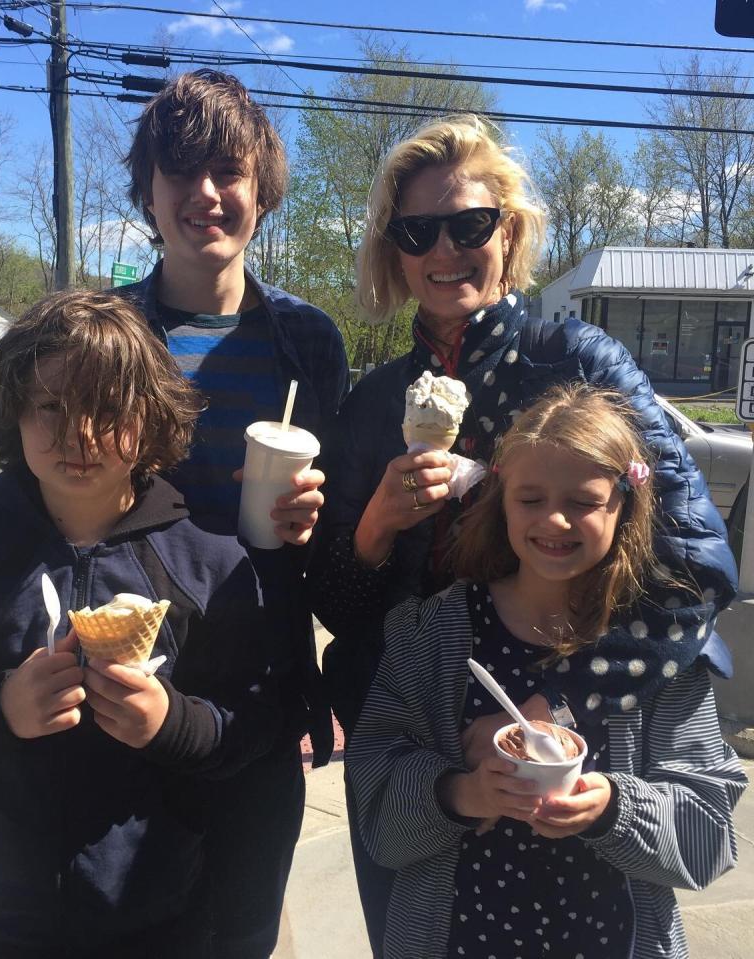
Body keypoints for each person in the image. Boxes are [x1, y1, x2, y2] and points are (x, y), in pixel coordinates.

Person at [307, 114, 739, 953]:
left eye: (468, 224)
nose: (445, 249)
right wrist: (374, 526)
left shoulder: (580, 365)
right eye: (417, 230)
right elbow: (336, 602)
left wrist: (565, 703)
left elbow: (696, 567)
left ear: (508, 230)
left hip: (568, 736)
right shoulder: (372, 405)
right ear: (393, 250)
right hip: (411, 748)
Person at [0, 291, 282, 959]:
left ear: (152, 419)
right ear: (14, 409)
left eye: (108, 410)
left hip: (156, 924)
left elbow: (252, 730)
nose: (79, 436)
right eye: (52, 406)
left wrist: (174, 723)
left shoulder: (210, 565)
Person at [346, 383, 748, 959]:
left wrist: (612, 807)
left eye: (583, 501)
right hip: (456, 936)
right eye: (530, 499)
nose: (555, 520)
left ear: (623, 506)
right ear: (500, 498)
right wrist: (462, 793)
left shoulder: (657, 652)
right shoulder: (430, 634)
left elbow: (710, 836)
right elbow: (378, 814)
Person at [116, 68, 350, 958]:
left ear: (263, 193)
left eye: (228, 172)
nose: (205, 194)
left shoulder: (307, 341)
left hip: (259, 699)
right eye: (179, 171)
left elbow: (341, 535)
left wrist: (316, 521)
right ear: (147, 190)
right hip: (134, 686)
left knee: (244, 926)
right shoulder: (106, 334)